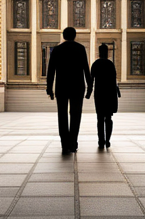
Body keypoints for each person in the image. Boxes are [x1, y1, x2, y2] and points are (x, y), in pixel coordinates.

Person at [46, 27, 92, 155]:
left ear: (64, 36)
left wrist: (49, 88)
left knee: (62, 115)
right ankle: (73, 143)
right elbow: (85, 69)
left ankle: (64, 144)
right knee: (76, 115)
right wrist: (90, 87)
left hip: (62, 86)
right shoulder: (80, 48)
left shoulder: (57, 50)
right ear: (75, 35)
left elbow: (51, 71)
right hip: (77, 87)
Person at [90, 43, 119, 149]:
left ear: (99, 52)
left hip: (99, 93)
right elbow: (114, 80)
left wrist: (88, 92)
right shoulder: (110, 64)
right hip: (109, 94)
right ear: (107, 52)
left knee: (100, 118)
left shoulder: (96, 64)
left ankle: (101, 140)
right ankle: (107, 140)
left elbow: (91, 79)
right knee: (109, 118)